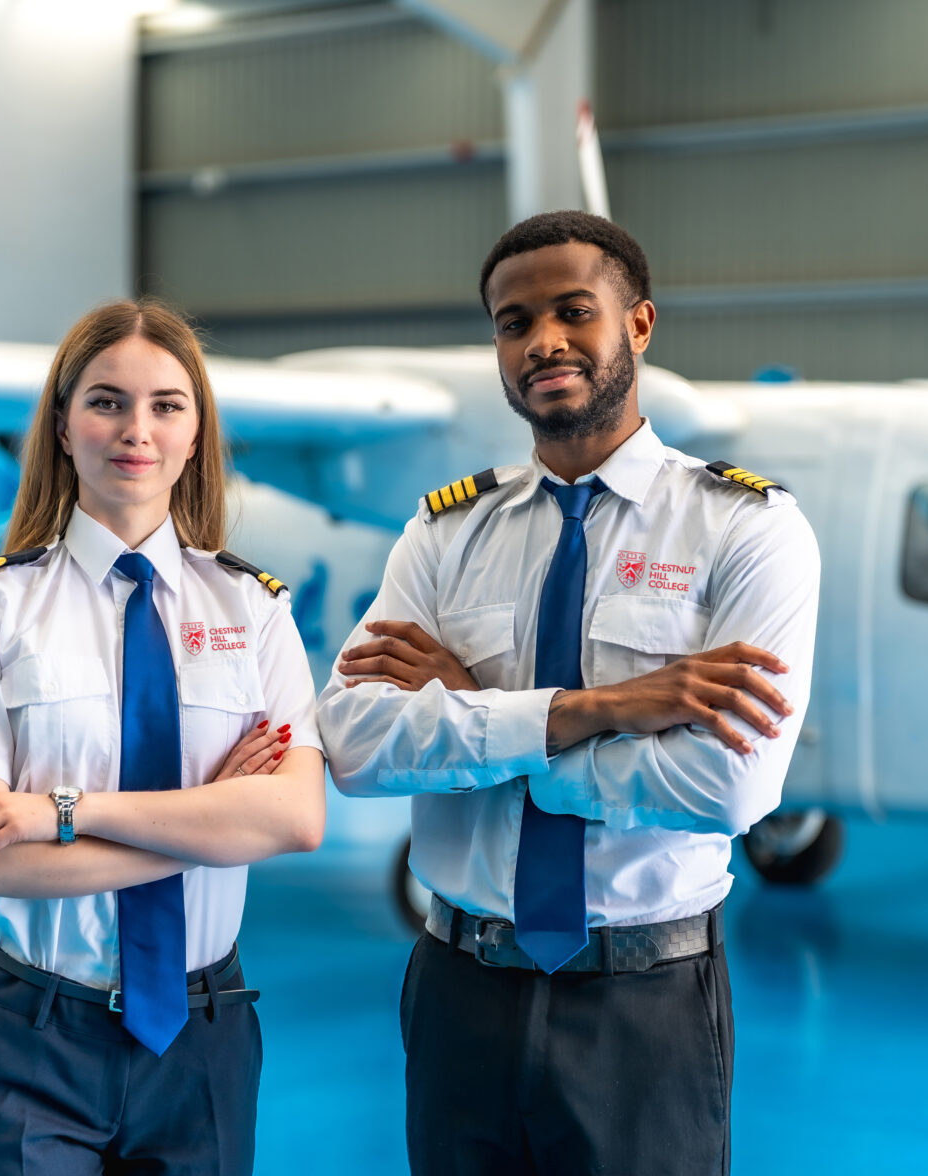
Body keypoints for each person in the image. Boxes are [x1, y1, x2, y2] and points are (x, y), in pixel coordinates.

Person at [316, 211, 820, 1175]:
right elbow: (354, 745)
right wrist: (604, 710)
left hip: (643, 1000)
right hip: (458, 987)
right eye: (513, 323)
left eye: (572, 312)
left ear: (638, 325)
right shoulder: (445, 532)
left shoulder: (745, 530)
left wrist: (478, 718)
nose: (541, 341)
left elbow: (730, 787)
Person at [0, 299, 326, 1176]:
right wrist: (209, 822)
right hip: (27, 1039)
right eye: (107, 401)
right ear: (62, 423)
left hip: (205, 1037)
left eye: (167, 405)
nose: (137, 430)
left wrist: (57, 813)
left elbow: (297, 820)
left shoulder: (256, 611)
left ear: (196, 433)